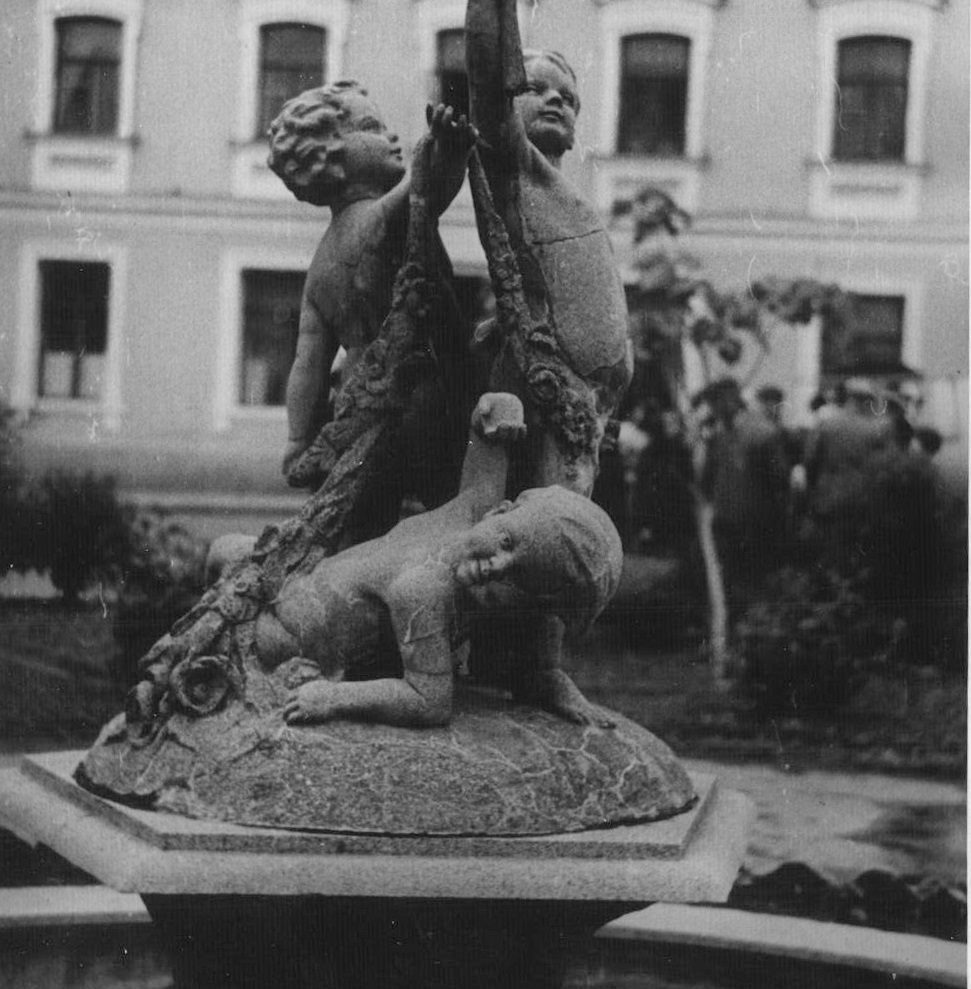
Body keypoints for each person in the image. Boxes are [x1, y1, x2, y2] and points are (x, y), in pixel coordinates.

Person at [260, 392, 623, 729]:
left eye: (516, 575)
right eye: (507, 543)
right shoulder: (474, 508)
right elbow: (487, 432)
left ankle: (540, 675)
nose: (498, 565)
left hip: (292, 639)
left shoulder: (425, 589)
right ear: (501, 510)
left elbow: (429, 700)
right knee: (235, 556)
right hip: (291, 593)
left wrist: (334, 698)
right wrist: (499, 408)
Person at [267, 85, 473, 531]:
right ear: (329, 156)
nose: (390, 136)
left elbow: (308, 363)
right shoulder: (378, 219)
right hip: (421, 395)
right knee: (450, 508)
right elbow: (429, 193)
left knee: (364, 521)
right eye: (371, 127)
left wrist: (298, 438)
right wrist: (451, 153)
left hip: (357, 408)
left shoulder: (321, 264)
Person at [465, 0, 632, 499]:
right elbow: (487, 77)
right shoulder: (515, 169)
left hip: (589, 402)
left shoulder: (569, 195)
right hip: (549, 384)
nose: (556, 99)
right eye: (535, 89)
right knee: (553, 515)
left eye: (569, 97)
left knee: (564, 514)